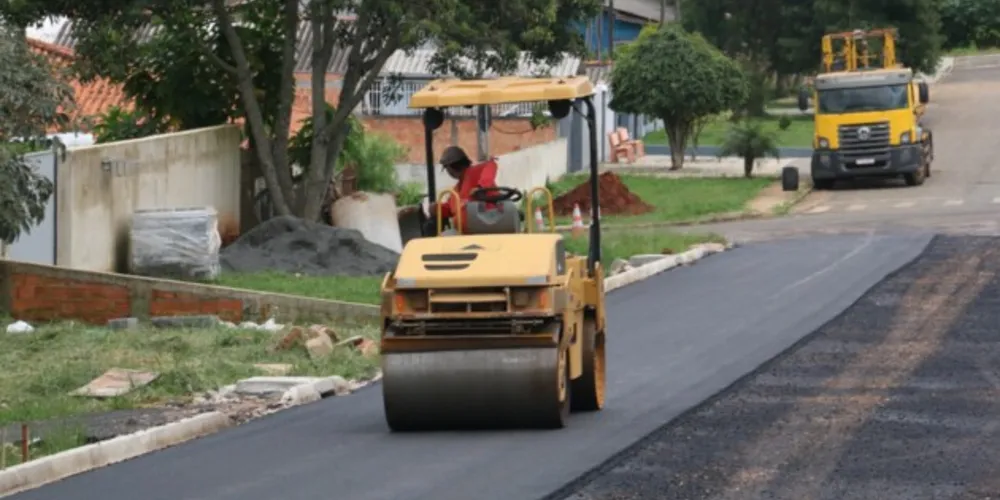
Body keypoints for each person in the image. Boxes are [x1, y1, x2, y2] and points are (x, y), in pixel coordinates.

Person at [427, 146, 500, 234]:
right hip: (465, 234)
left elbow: (491, 165)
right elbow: (450, 209)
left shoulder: (475, 172)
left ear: (450, 168)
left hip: (487, 228)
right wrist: (437, 208)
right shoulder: (456, 190)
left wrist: (481, 187)